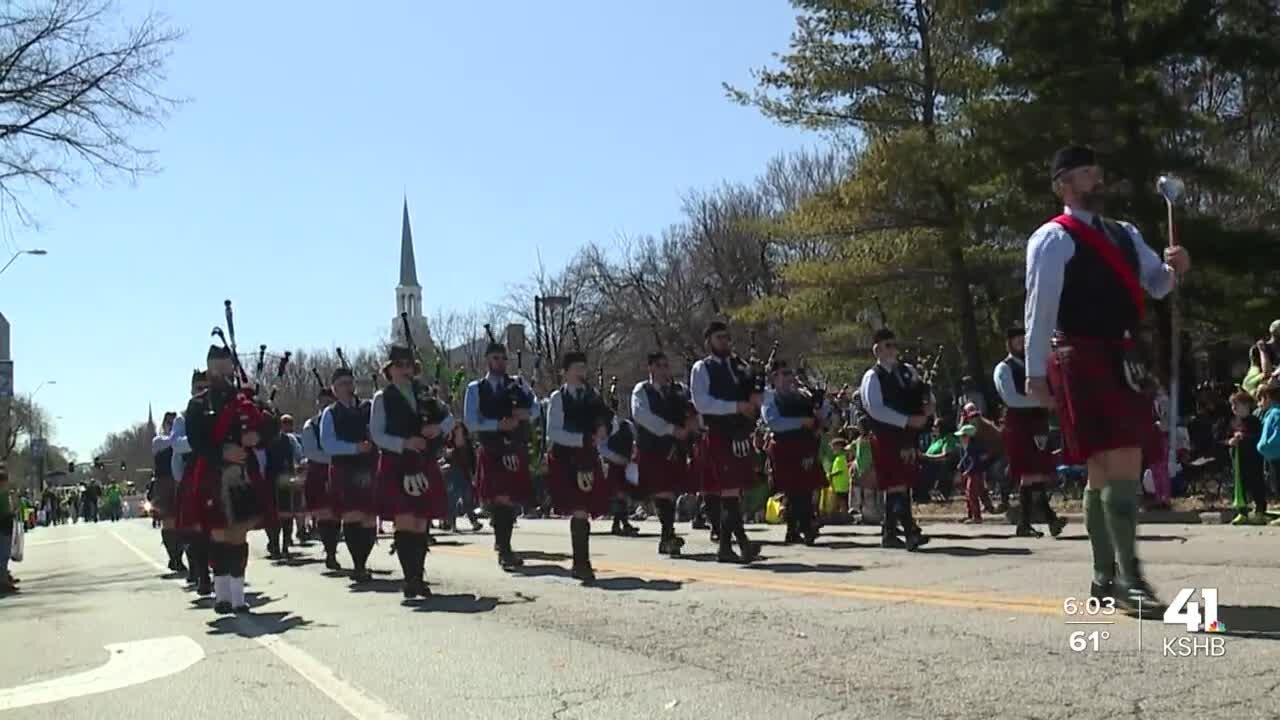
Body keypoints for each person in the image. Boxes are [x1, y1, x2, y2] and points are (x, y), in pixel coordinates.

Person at [1024, 144, 1190, 612]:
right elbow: (1039, 312)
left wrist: (1176, 267)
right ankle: (1127, 577)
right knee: (1117, 464)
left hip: (1123, 356)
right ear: (1063, 185)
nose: (1096, 180)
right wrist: (1036, 375)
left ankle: (1104, 577)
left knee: (1107, 472)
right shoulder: (1053, 239)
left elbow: (1157, 283)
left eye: (1097, 172)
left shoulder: (1125, 233)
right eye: (1084, 174)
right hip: (1080, 354)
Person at [185, 344, 279, 614]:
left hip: (241, 475)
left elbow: (270, 424)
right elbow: (197, 441)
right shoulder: (198, 404)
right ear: (209, 367)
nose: (221, 371)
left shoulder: (244, 400)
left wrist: (258, 437)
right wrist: (222, 451)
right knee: (217, 534)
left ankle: (237, 597)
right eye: (216, 366)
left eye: (225, 366)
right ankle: (222, 595)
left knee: (237, 535)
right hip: (212, 474)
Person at [370, 344, 454, 599]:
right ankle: (410, 579)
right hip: (397, 463)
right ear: (390, 370)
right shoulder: (382, 398)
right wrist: (404, 443)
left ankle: (418, 575)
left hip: (424, 461)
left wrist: (437, 430)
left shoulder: (425, 394)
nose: (405, 370)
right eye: (400, 366)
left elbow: (449, 418)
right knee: (405, 519)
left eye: (409, 365)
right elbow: (376, 434)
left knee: (421, 521)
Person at [463, 338, 540, 570]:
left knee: (508, 499)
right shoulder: (475, 388)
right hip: (491, 448)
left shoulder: (518, 384)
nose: (500, 362)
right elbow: (471, 422)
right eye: (495, 358)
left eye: (503, 358)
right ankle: (505, 550)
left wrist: (522, 414)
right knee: (500, 498)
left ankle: (502, 543)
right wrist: (498, 425)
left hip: (514, 447)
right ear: (487, 360)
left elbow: (536, 408)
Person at [690, 321, 763, 563]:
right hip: (719, 432)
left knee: (734, 490)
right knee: (729, 490)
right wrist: (736, 406)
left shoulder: (740, 366)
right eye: (719, 337)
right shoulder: (702, 368)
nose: (725, 341)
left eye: (727, 337)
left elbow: (752, 393)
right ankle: (732, 545)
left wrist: (756, 398)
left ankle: (735, 546)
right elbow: (702, 403)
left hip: (740, 433)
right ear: (708, 341)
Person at [859, 327, 931, 551]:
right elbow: (876, 409)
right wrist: (907, 420)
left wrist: (928, 409)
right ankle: (910, 532)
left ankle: (889, 534)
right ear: (877, 350)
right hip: (886, 436)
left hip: (907, 435)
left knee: (901, 484)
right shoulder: (872, 377)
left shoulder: (907, 371)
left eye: (894, 345)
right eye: (887, 346)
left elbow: (923, 392)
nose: (893, 350)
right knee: (895, 482)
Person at [545, 351, 612, 583]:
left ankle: (581, 562)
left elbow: (603, 418)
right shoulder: (558, 398)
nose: (581, 372)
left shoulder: (592, 395)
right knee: (578, 508)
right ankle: (581, 562)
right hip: (566, 457)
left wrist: (603, 427)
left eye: (584, 367)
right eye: (577, 367)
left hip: (587, 456)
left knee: (584, 508)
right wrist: (581, 438)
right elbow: (553, 432)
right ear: (565, 372)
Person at [994, 327, 1067, 538]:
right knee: (1029, 473)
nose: (1021, 345)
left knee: (1037, 474)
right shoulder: (1003, 368)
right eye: (1017, 341)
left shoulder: (1035, 367)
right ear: (1009, 343)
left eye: (1024, 341)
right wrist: (1043, 400)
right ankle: (1040, 520)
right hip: (1018, 425)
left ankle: (1034, 522)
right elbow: (1011, 399)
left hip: (1038, 424)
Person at [632, 350, 696, 557]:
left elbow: (692, 410)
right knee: (662, 490)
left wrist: (689, 425)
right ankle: (668, 536)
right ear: (650, 368)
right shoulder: (642, 390)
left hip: (674, 448)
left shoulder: (679, 390)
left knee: (670, 491)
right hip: (652, 447)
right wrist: (670, 429)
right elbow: (641, 415)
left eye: (666, 365)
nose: (663, 370)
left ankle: (666, 538)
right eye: (659, 365)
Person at [320, 366, 379, 583]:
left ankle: (363, 560)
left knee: (370, 518)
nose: (347, 387)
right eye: (341, 384)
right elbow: (328, 444)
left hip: (369, 466)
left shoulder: (368, 407)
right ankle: (358, 565)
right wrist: (355, 448)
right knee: (353, 515)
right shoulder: (331, 413)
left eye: (349, 382)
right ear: (334, 389)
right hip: (345, 468)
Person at [763, 358, 827, 545]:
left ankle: (800, 528)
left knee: (805, 489)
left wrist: (819, 416)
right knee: (793, 490)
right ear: (774, 377)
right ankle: (800, 527)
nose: (789, 378)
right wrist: (801, 422)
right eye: (784, 374)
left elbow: (820, 418)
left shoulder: (802, 395)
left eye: (790, 373)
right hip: (784, 447)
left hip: (805, 445)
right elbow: (774, 422)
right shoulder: (770, 397)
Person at [173, 369, 212, 593]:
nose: (203, 392)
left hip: (216, 470)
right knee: (195, 528)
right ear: (191, 389)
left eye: (206, 387)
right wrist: (200, 439)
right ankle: (200, 573)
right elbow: (177, 444)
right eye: (199, 388)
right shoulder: (183, 416)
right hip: (194, 473)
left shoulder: (217, 409)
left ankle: (225, 575)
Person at [302, 385, 340, 569]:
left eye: (330, 401)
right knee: (325, 514)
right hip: (319, 471)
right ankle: (330, 551)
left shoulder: (341, 421)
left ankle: (332, 549)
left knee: (337, 514)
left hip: (340, 471)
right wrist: (338, 455)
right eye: (324, 401)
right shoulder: (311, 425)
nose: (327, 404)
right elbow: (310, 451)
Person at [264, 414, 305, 559]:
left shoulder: (289, 439)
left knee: (287, 513)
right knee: (271, 514)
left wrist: (301, 465)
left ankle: (285, 544)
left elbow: (298, 454)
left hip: (286, 478)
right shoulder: (264, 441)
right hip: (269, 480)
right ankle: (274, 543)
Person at [1225, 391, 1269, 526]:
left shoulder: (1254, 421)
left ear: (1246, 406)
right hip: (1238, 460)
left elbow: (1258, 437)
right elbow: (1222, 437)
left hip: (1253, 459)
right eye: (1232, 405)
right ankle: (1242, 512)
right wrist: (1230, 441)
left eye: (1237, 405)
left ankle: (1260, 511)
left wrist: (1243, 438)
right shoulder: (1231, 422)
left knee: (1256, 484)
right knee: (1240, 486)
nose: (1234, 408)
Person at [441, 424, 484, 533]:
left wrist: (474, 473)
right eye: (455, 428)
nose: (457, 430)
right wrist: (447, 454)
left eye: (459, 428)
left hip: (465, 473)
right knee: (452, 500)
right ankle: (452, 524)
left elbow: (473, 459)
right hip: (453, 473)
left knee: (468, 499)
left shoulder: (467, 443)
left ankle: (474, 522)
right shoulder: (449, 442)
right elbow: (444, 456)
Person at [955, 425, 989, 523]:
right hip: (971, 473)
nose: (961, 438)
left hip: (975, 473)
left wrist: (967, 471)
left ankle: (977, 517)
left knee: (972, 494)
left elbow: (975, 462)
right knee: (968, 494)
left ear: (969, 437)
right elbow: (965, 458)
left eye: (963, 436)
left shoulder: (974, 447)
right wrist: (960, 466)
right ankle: (971, 515)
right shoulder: (968, 447)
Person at [0, 465, 17, 593]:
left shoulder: (5, 494)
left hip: (6, 524)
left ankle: (5, 576)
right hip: (3, 525)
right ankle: (3, 580)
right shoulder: (2, 494)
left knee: (4, 554)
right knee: (3, 554)